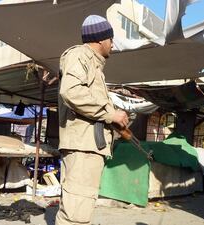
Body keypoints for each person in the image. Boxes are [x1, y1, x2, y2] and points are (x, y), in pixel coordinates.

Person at [55, 15, 129, 225]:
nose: (112, 44)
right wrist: (110, 113)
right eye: (111, 39)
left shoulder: (94, 66)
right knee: (76, 212)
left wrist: (114, 120)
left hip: (88, 146)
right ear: (100, 39)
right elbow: (71, 92)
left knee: (79, 207)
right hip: (82, 147)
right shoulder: (80, 55)